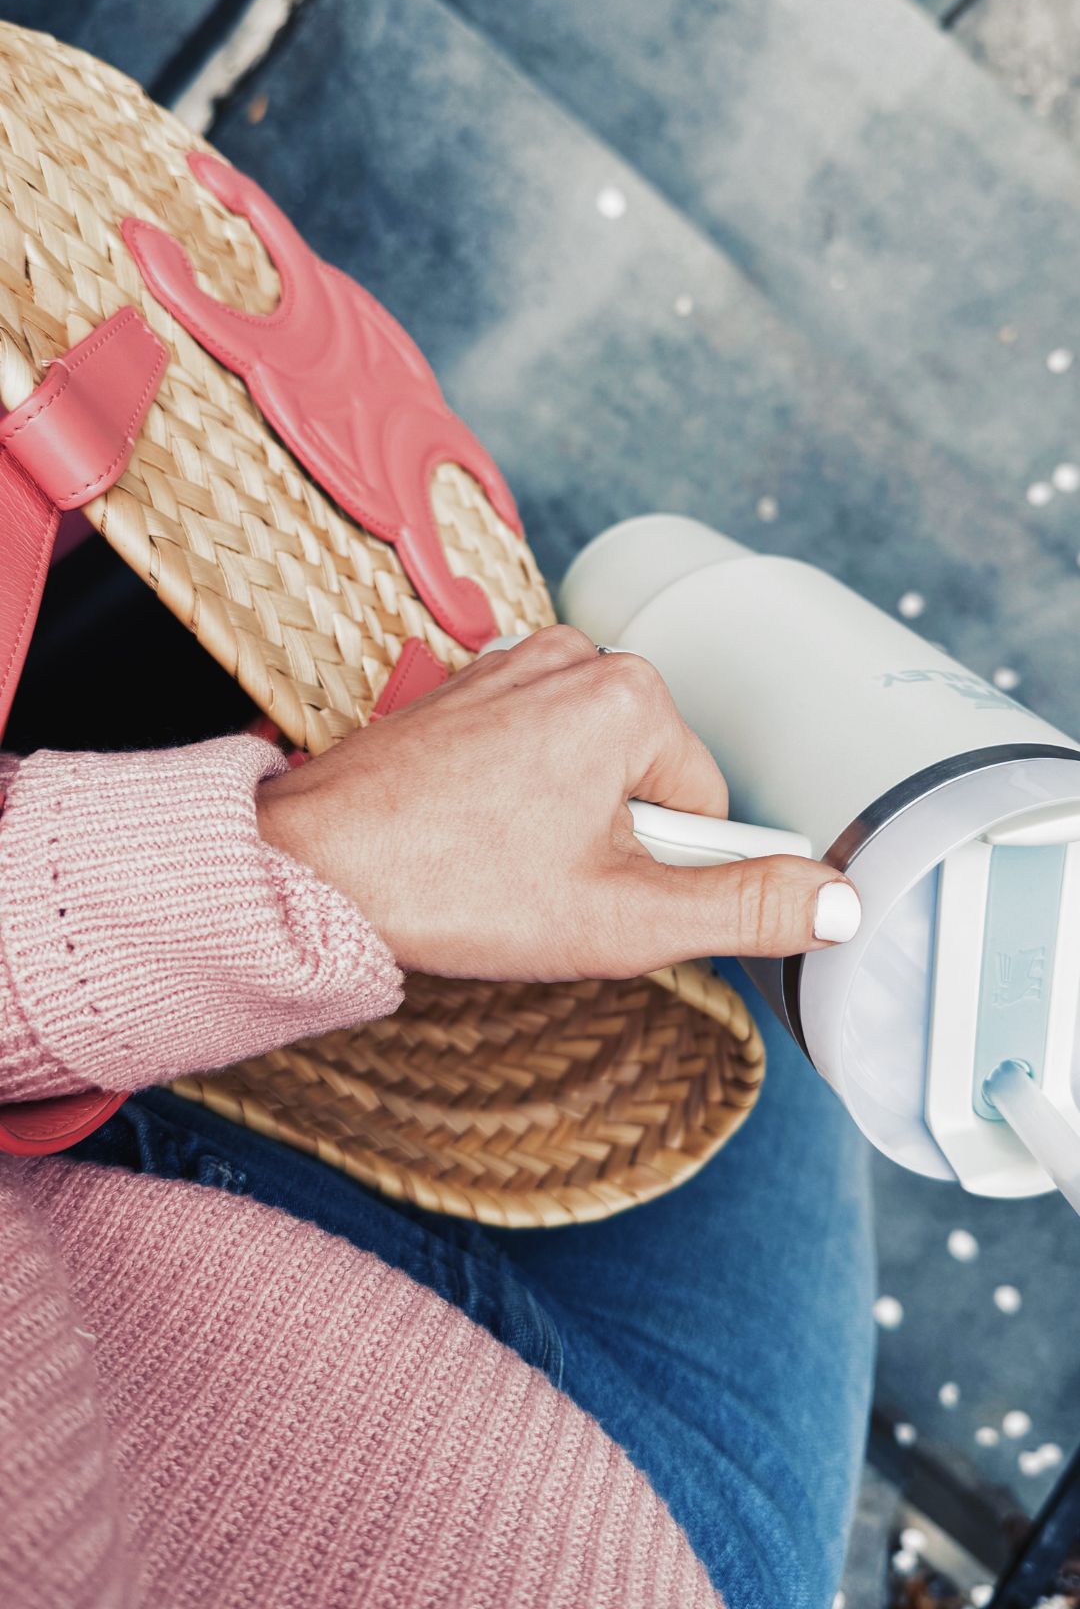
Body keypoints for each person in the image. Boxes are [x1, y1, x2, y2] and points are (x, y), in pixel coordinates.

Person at [0, 625, 875, 1609]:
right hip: (676, 1549)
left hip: (94, 1159)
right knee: (789, 950)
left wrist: (290, 855)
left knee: (720, 845)